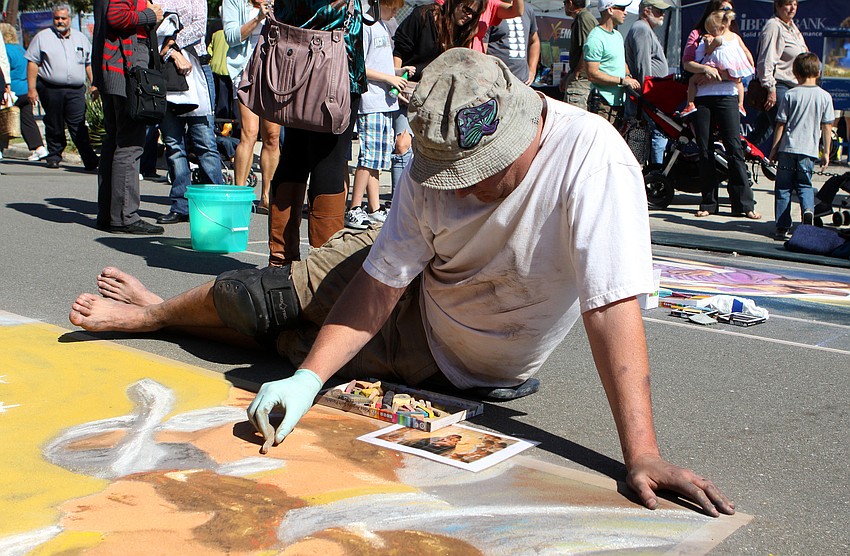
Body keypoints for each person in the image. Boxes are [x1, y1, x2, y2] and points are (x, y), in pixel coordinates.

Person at [69, 49, 735, 519]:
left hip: (445, 350)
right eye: (449, 176)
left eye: (477, 174)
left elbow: (611, 308)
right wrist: (309, 388)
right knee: (264, 299)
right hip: (410, 285)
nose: (461, 190)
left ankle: (260, 345)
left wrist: (641, 454)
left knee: (292, 345)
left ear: (522, 129)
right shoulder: (432, 164)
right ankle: (153, 315)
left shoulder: (594, 160)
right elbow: (382, 284)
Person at [92, 0, 165, 234]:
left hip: (112, 70)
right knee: (130, 145)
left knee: (114, 142)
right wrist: (149, 15)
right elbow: (117, 17)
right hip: (125, 71)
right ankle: (125, 217)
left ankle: (109, 214)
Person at [682, 10, 760, 221]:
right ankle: (709, 202)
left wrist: (726, 74)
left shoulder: (735, 40)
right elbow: (694, 63)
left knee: (734, 147)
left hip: (728, 95)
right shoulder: (703, 41)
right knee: (705, 149)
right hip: (704, 96)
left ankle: (744, 203)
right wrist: (706, 70)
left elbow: (746, 67)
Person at [155, 0, 224, 225]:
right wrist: (171, 54)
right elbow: (153, 28)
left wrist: (172, 44)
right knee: (174, 146)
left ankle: (216, 205)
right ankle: (181, 205)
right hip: (164, 70)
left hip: (196, 67)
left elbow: (198, 27)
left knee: (205, 143)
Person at [345, 0, 411, 230]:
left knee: (379, 158)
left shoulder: (383, 26)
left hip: (385, 102)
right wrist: (389, 78)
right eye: (392, 7)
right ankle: (354, 207)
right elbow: (361, 66)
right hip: (371, 101)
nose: (395, 12)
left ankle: (373, 208)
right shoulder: (366, 27)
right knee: (369, 156)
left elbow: (381, 65)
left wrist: (399, 72)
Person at [24, 3, 99, 170]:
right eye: (56, 18)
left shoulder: (81, 38)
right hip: (51, 88)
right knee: (54, 123)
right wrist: (32, 88)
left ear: (70, 19)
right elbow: (33, 63)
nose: (60, 21)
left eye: (63, 18)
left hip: (76, 89)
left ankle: (89, 158)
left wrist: (94, 84)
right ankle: (54, 155)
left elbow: (89, 64)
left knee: (78, 123)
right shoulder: (42, 38)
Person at [768, 52, 834, 241]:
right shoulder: (825, 97)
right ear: (819, 72)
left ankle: (782, 227)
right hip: (809, 150)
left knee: (783, 188)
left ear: (795, 73)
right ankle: (807, 212)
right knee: (805, 185)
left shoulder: (790, 94)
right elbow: (827, 126)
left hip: (788, 148)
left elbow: (781, 123)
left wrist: (774, 148)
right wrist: (826, 152)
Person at [223, 0, 279, 215]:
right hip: (246, 70)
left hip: (275, 72)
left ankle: (267, 196)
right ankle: (240, 194)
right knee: (250, 132)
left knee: (272, 135)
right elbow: (231, 38)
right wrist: (258, 18)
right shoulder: (235, 2)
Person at [747, 0, 806, 151]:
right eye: (788, 4)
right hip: (778, 86)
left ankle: (735, 159)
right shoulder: (773, 26)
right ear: (778, 6)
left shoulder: (792, 27)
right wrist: (770, 88)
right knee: (786, 132)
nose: (792, 8)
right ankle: (787, 170)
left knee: (761, 132)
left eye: (795, 4)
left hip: (792, 87)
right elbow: (765, 60)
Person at [680, 10, 753, 119]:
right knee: (739, 82)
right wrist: (751, 63)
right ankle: (741, 104)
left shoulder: (718, 39)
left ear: (722, 28)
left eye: (712, 32)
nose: (711, 34)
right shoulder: (735, 37)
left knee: (692, 80)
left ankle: (690, 103)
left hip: (717, 65)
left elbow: (708, 51)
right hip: (732, 67)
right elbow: (746, 51)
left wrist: (706, 42)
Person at [624, 0, 670, 169]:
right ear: (646, 11)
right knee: (647, 135)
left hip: (646, 96)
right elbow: (643, 66)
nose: (662, 14)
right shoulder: (641, 29)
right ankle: (654, 175)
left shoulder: (644, 29)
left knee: (648, 135)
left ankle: (649, 174)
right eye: (659, 11)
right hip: (644, 97)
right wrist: (648, 94)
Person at [584, 0, 639, 124]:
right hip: (602, 106)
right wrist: (622, 81)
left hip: (619, 104)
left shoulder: (618, 35)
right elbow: (592, 74)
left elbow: (620, 62)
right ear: (610, 10)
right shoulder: (595, 38)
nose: (625, 12)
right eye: (622, 8)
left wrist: (628, 76)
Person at [0, 23, 47, 161]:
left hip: (12, 90)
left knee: (4, 120)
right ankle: (39, 148)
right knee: (27, 120)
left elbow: (4, 69)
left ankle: (1, 149)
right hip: (26, 89)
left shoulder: (6, 50)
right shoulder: (20, 49)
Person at [485, 1, 539, 85]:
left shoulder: (528, 9)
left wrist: (532, 70)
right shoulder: (492, 8)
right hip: (497, 81)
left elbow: (534, 41)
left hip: (522, 83)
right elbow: (481, 48)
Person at [561, 0, 596, 111]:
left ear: (570, 3)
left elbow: (588, 49)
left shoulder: (583, 17)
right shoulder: (583, 17)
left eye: (565, 3)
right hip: (583, 77)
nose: (565, 6)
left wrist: (577, 72)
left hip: (582, 80)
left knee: (574, 119)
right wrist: (570, 74)